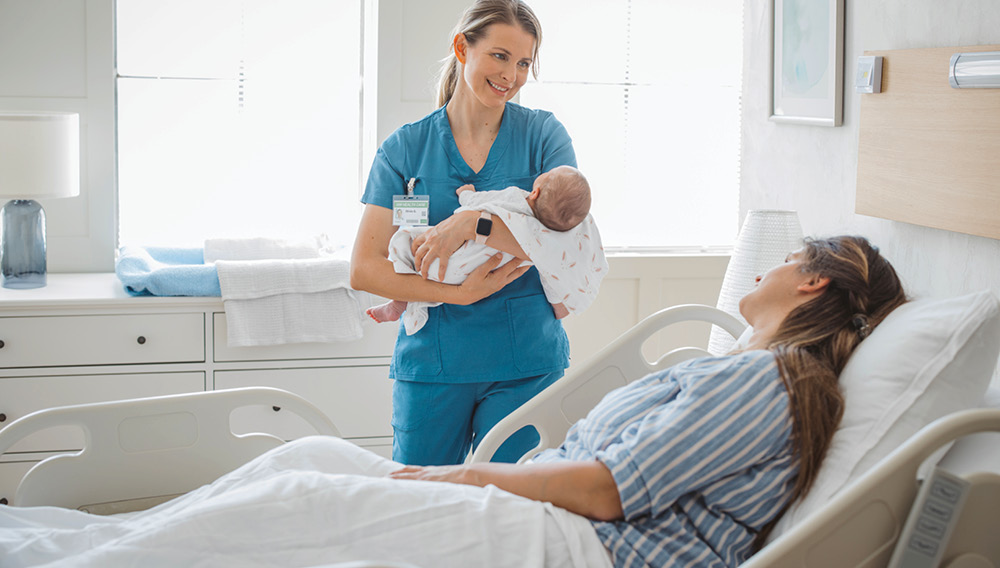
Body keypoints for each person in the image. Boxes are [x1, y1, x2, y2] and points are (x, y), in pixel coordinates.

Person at [5, 236, 908, 568]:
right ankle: (84, 543)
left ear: (814, 283)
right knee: (307, 460)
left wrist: (459, 480)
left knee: (302, 501)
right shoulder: (750, 372)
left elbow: (608, 491)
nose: (764, 263)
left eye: (786, 256)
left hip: (584, 546)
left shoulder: (771, 383)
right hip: (556, 516)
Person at [350, 0, 581, 465]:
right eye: (499, 56)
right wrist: (457, 294)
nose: (511, 76)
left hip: (525, 365)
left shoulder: (542, 136)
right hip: (433, 365)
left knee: (514, 511)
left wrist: (472, 223)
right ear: (462, 47)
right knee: (420, 505)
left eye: (523, 63)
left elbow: (568, 240)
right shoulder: (405, 149)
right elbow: (364, 269)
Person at [367, 164, 607, 335]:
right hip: (466, 273)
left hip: (448, 259)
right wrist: (560, 305)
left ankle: (400, 301)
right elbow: (556, 276)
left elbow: (479, 203)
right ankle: (406, 303)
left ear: (535, 192)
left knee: (404, 240)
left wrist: (466, 196)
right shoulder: (539, 246)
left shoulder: (515, 197)